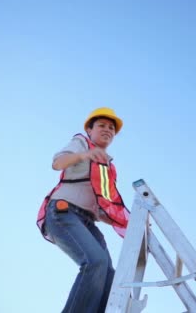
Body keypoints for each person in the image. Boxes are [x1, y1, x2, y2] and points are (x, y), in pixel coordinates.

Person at [36, 107, 130, 313]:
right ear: (89, 129)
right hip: (63, 213)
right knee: (95, 261)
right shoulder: (81, 142)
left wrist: (134, 222)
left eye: (111, 128)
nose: (107, 130)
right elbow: (58, 163)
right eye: (102, 125)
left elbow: (104, 207)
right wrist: (85, 154)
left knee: (108, 274)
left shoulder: (107, 167)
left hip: (87, 221)